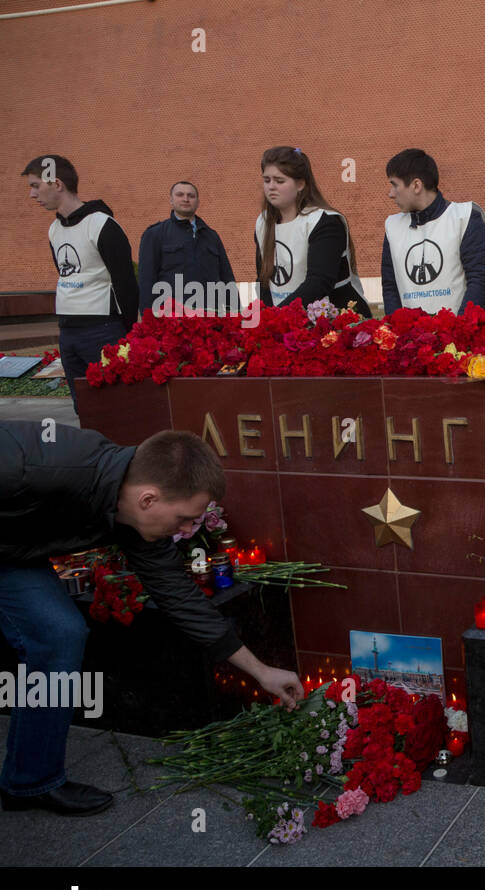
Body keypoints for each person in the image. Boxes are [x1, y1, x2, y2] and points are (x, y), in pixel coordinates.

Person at [0, 424, 304, 816]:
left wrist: (260, 671)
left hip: (13, 553)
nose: (186, 531)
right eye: (184, 519)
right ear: (149, 498)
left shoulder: (133, 512)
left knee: (59, 634)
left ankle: (30, 780)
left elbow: (179, 597)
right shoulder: (26, 466)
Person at [21, 155, 137, 415]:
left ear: (57, 183)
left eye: (36, 185)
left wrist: (128, 333)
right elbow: (66, 275)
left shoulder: (102, 225)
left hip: (103, 329)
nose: (31, 194)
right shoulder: (54, 230)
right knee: (83, 408)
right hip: (68, 331)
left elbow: (126, 283)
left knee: (115, 409)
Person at [256, 146, 371, 317]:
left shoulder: (325, 221)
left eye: (280, 181)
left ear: (301, 184)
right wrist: (268, 317)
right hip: (288, 317)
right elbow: (263, 278)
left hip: (336, 318)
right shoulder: (263, 222)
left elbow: (318, 282)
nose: (271, 187)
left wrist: (278, 315)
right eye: (267, 180)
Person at [381, 148, 485, 315]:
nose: (391, 194)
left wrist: (458, 332)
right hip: (411, 339)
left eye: (395, 185)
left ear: (416, 185)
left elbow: (479, 281)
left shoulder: (465, 216)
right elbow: (390, 287)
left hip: (458, 337)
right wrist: (399, 333)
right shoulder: (392, 226)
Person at [137, 180, 239, 317]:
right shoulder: (155, 234)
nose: (186, 199)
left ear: (197, 202)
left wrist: (236, 315)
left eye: (191, 196)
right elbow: (146, 281)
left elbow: (227, 279)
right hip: (172, 320)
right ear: (171, 200)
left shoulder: (211, 236)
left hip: (210, 319)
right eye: (180, 195)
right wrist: (148, 319)